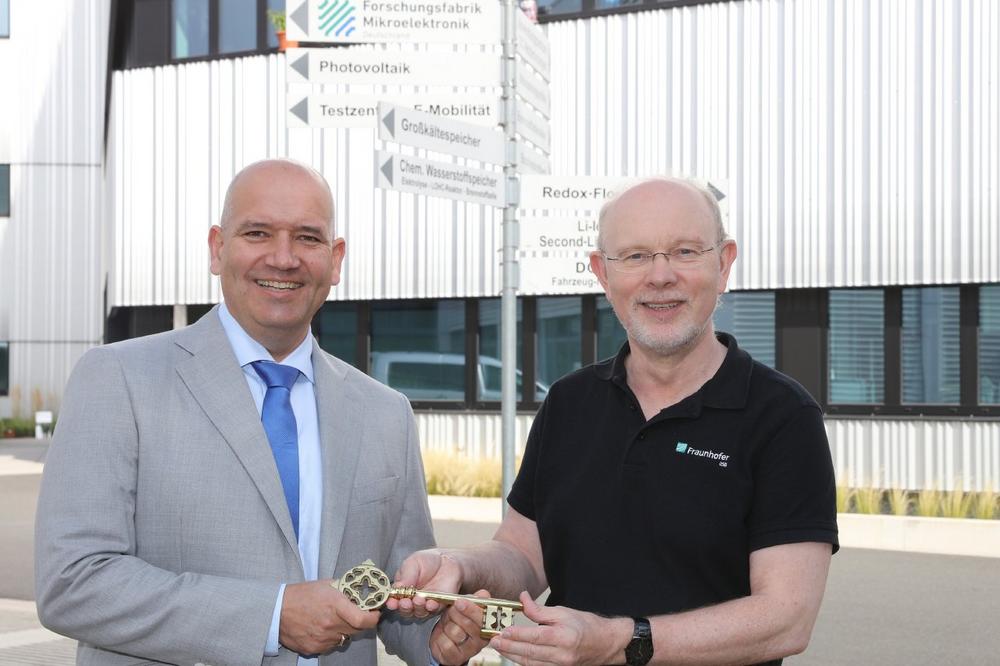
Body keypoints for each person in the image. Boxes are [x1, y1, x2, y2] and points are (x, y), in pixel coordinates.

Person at [34, 159, 478, 666]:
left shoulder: (386, 413)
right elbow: (72, 582)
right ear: (217, 248)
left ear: (335, 260)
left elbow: (394, 599)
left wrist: (439, 639)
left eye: (307, 238)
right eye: (258, 233)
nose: (283, 258)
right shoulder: (118, 379)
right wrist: (272, 616)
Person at [391, 176, 839, 665]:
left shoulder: (782, 417)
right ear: (603, 273)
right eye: (636, 255)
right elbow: (523, 556)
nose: (660, 276)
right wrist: (457, 566)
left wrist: (621, 641)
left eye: (685, 251)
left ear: (724, 263)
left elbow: (785, 617)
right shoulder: (568, 403)